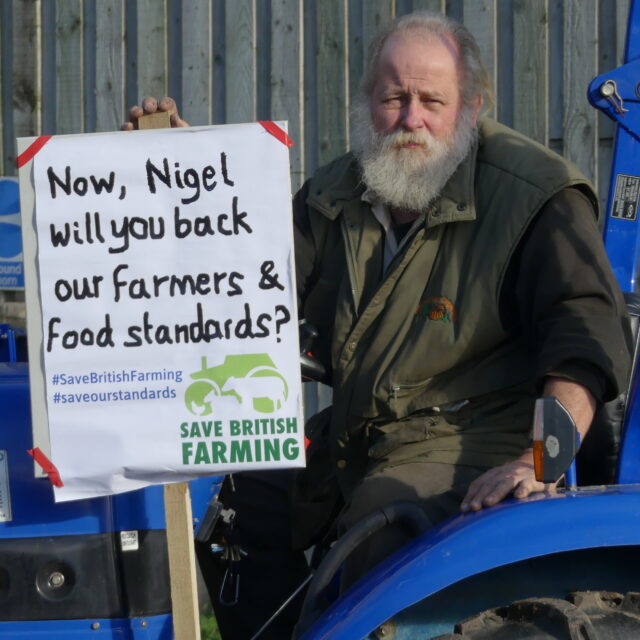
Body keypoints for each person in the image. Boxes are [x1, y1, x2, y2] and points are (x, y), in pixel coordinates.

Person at [125, 11, 631, 639]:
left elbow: (584, 334)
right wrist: (184, 182)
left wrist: (542, 460)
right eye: (394, 97)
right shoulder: (334, 192)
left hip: (478, 437)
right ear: (369, 102)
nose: (410, 119)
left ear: (471, 107)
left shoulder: (535, 198)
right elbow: (244, 284)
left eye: (431, 100)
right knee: (233, 498)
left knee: (377, 532)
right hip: (360, 430)